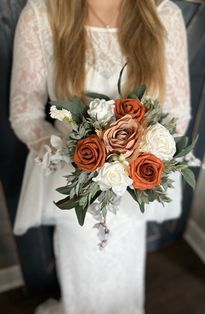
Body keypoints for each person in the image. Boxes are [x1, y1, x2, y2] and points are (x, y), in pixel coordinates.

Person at [9, 0, 191, 313]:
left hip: (136, 188)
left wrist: (136, 160)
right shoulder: (41, 15)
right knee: (83, 273)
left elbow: (178, 112)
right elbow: (25, 113)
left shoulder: (165, 15)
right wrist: (81, 160)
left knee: (126, 270)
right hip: (76, 186)